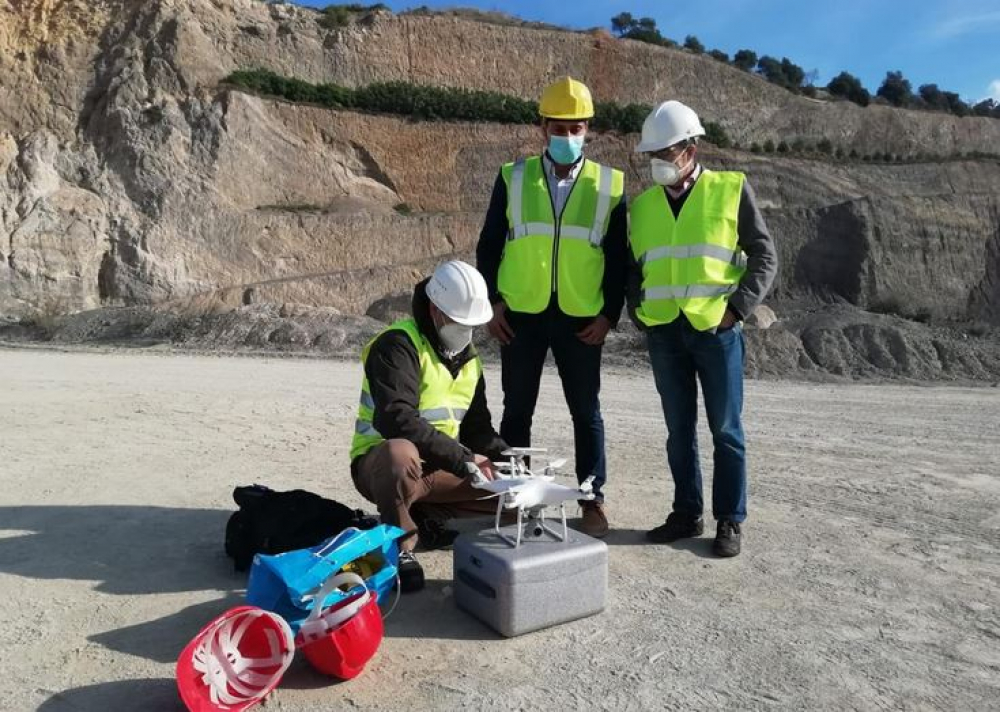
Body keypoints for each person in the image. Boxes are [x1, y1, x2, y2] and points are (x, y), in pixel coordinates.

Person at [476, 76, 627, 538]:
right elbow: (489, 246)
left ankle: (591, 497)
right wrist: (494, 304)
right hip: (520, 314)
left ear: (588, 129)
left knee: (587, 410)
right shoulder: (513, 177)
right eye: (558, 128)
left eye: (576, 127)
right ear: (541, 126)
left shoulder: (610, 184)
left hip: (582, 317)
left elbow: (619, 257)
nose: (567, 137)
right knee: (517, 408)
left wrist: (609, 316)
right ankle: (514, 496)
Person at [628, 101, 778, 557]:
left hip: (717, 330)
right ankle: (686, 513)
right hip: (665, 334)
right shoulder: (644, 205)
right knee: (679, 430)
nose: (658, 162)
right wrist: (638, 311)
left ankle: (729, 519)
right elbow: (635, 268)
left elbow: (764, 256)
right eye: (651, 153)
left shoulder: (730, 190)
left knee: (726, 431)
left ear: (691, 149)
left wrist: (737, 309)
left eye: (667, 151)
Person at [350, 260, 507, 591]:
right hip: (385, 467)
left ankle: (426, 515)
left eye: (472, 325)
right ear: (435, 310)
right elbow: (396, 418)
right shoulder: (397, 345)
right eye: (459, 322)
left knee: (513, 493)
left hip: (439, 467)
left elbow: (478, 428)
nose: (466, 331)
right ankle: (401, 544)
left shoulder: (470, 360)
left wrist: (505, 458)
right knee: (399, 454)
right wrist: (464, 460)